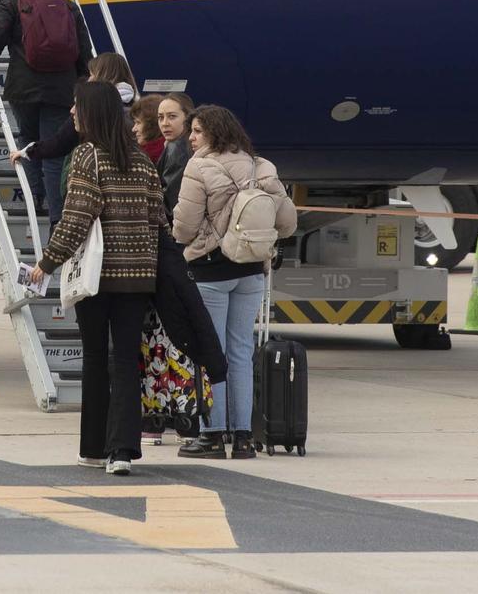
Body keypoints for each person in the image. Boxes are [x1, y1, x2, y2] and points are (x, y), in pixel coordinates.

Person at [27, 82, 164, 476]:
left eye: (76, 107)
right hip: (138, 278)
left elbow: (77, 218)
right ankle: (122, 451)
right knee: (125, 359)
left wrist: (46, 263)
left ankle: (93, 447)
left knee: (95, 358)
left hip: (97, 278)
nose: (71, 113)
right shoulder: (140, 159)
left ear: (92, 113)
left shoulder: (88, 156)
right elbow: (159, 218)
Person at [172, 104, 294, 461]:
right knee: (241, 351)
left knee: (212, 352)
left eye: (196, 131)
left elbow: (185, 226)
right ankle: (242, 437)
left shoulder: (199, 166)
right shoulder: (262, 166)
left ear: (212, 133)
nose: (190, 138)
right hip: (252, 270)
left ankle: (211, 434)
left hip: (211, 270)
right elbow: (286, 222)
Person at [0, 0, 91, 230]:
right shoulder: (66, 5)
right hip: (62, 89)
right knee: (55, 151)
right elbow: (84, 54)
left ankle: (34, 198)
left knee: (29, 141)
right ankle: (57, 218)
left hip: (23, 88)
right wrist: (81, 89)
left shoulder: (11, 3)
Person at [11, 53, 136, 237]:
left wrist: (27, 151)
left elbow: (59, 143)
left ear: (104, 75)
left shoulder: (90, 111)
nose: (89, 79)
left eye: (93, 74)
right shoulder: (133, 107)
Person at [155, 92, 195, 214]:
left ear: (188, 118)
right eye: (160, 117)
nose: (164, 123)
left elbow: (170, 203)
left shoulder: (177, 148)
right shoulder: (182, 144)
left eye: (172, 116)